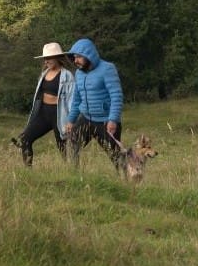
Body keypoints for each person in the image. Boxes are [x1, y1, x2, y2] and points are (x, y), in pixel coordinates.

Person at [64, 37, 124, 169]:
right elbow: (76, 99)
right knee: (73, 144)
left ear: (88, 55)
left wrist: (113, 119)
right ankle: (74, 175)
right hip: (86, 118)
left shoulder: (107, 68)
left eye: (79, 57)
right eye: (74, 57)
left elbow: (116, 95)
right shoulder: (79, 73)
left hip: (105, 121)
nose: (76, 61)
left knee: (116, 157)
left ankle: (127, 182)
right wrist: (71, 120)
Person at [12, 42, 76, 166]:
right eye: (45, 59)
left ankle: (71, 172)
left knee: (63, 147)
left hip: (59, 114)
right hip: (43, 113)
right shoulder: (44, 74)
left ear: (57, 57)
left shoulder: (67, 75)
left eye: (49, 58)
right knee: (25, 138)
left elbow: (72, 98)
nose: (47, 61)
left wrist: (71, 120)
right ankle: (28, 170)